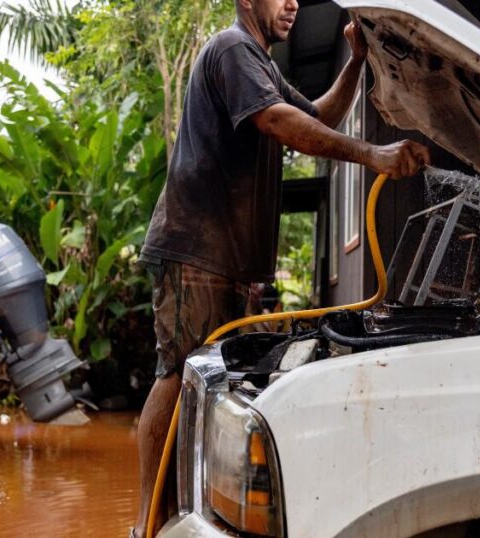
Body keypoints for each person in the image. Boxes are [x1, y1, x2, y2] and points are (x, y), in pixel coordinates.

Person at [132, 0, 430, 534]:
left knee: (207, 383)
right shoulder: (233, 47)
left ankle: (187, 510)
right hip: (194, 249)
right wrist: (373, 154)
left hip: (224, 256)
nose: (292, 3)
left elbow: (319, 117)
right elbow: (277, 121)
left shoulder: (262, 64)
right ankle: (147, 525)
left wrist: (356, 59)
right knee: (176, 374)